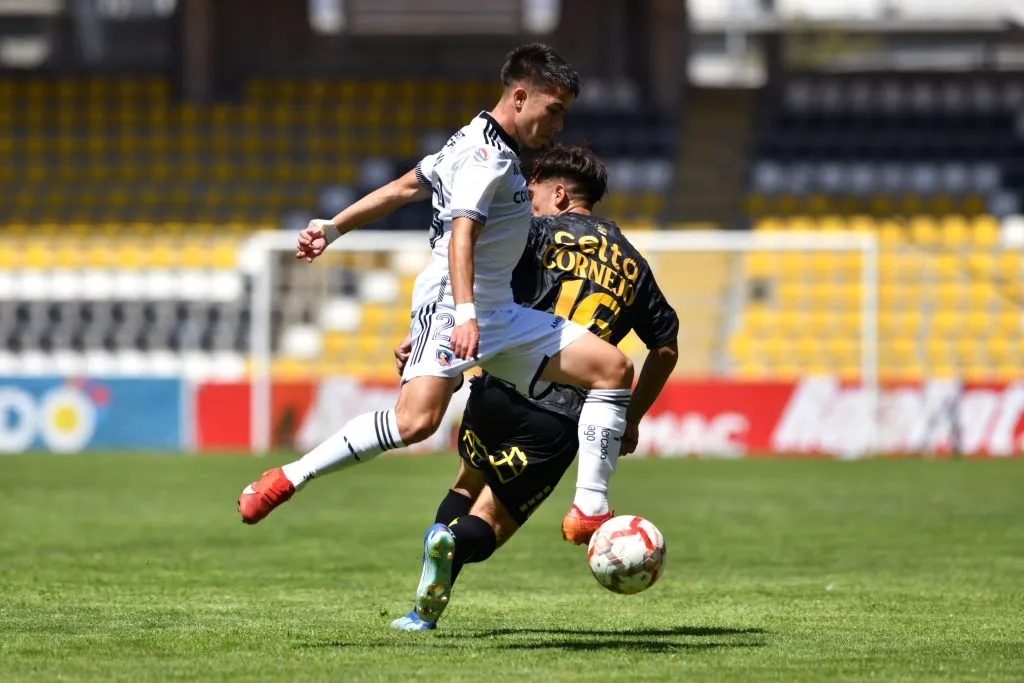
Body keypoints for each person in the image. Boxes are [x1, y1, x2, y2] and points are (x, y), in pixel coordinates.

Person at [237, 45, 636, 619]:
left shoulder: (473, 139)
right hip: (463, 308)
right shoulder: (485, 160)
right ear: (519, 96)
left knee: (613, 369)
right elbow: (462, 235)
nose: (557, 125)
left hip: (499, 312)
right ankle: (286, 478)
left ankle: (590, 510)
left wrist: (334, 225)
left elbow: (404, 187)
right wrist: (466, 313)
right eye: (552, 110)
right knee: (414, 421)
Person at [389, 143, 679, 631]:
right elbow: (665, 349)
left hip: (498, 383)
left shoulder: (533, 232)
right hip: (563, 414)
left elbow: (473, 272)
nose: (529, 200)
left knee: (466, 483)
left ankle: (425, 607)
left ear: (560, 194)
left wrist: (424, 333)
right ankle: (452, 545)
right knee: (493, 523)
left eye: (534, 192)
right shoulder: (634, 265)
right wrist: (630, 419)